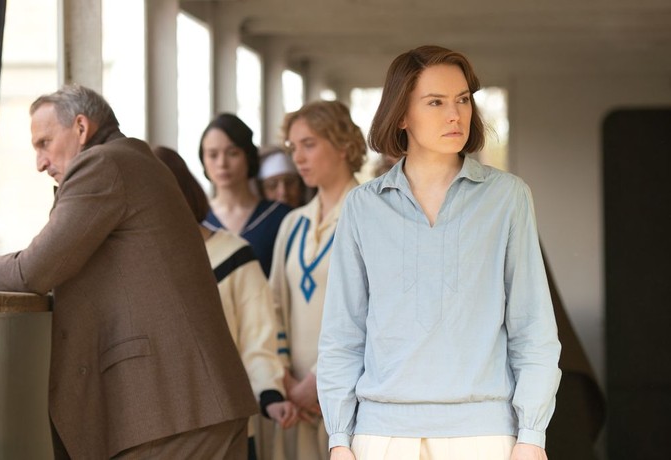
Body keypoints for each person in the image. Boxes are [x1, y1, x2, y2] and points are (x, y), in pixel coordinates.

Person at [316, 45, 562, 460]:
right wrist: (340, 437)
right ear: (401, 115)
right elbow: (343, 334)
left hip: (484, 436)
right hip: (381, 435)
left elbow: (533, 327)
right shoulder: (362, 206)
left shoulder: (508, 198)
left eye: (463, 100)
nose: (456, 114)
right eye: (436, 102)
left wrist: (531, 435)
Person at [0, 84, 257, 459]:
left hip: (168, 414)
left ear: (81, 128)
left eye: (44, 143)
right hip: (190, 406)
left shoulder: (103, 164)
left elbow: (33, 270)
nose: (40, 162)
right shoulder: (137, 160)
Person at [152, 145, 299, 459]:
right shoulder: (134, 265)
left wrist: (270, 394)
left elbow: (257, 339)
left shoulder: (234, 254)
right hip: (158, 430)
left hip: (225, 424)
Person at [269, 100, 367, 460]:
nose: (298, 157)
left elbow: (374, 312)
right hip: (295, 403)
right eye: (294, 147)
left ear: (343, 144)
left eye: (309, 144)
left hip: (351, 397)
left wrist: (321, 380)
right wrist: (285, 380)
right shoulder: (293, 224)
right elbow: (273, 306)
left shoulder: (372, 216)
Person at [199, 114, 291, 277]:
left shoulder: (281, 217)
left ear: (248, 155)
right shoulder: (197, 219)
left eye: (232, 153)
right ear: (203, 160)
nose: (222, 164)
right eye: (213, 155)